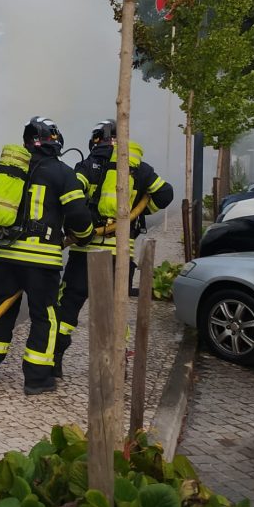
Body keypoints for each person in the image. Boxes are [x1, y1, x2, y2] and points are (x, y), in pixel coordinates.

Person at [0, 116, 94, 396]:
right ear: (55, 141)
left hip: (6, 256)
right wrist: (86, 234)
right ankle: (37, 379)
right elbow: (78, 215)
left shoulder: (13, 171)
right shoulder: (63, 173)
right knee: (45, 316)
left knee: (1, 311)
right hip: (41, 261)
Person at [54, 119, 174, 378]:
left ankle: (55, 361)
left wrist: (81, 228)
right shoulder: (139, 168)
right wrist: (138, 210)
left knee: (68, 308)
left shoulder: (88, 165)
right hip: (119, 255)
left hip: (83, 252)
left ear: (97, 138)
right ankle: (116, 368)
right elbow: (165, 195)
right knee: (116, 312)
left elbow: (72, 197)